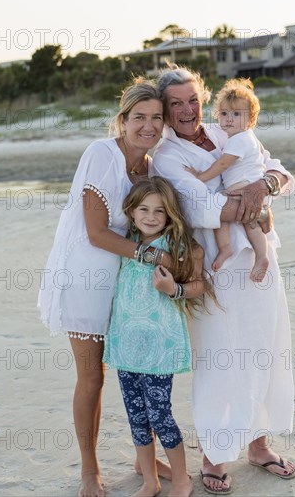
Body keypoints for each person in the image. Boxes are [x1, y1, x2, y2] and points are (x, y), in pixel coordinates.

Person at [152, 66, 295, 494]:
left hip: (260, 261)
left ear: (204, 99)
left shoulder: (229, 128)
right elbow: (197, 207)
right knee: (218, 359)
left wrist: (265, 184)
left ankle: (257, 444)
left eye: (192, 99)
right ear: (164, 109)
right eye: (175, 103)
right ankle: (213, 455)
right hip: (214, 268)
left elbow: (280, 173)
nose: (186, 109)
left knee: (262, 348)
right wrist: (254, 201)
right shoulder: (167, 156)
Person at [38, 78, 173, 497]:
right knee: (92, 376)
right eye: (139, 118)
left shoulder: (150, 166)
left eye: (156, 118)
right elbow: (96, 232)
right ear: (123, 119)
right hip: (88, 273)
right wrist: (155, 258)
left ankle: (143, 457)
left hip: (126, 273)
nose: (148, 126)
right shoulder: (101, 154)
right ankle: (89, 470)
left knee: (138, 368)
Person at [104, 176, 207, 497]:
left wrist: (173, 288)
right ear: (131, 212)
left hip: (159, 346)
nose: (150, 217)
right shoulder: (126, 243)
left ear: (169, 214)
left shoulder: (177, 247)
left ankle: (181, 478)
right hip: (125, 345)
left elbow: (199, 284)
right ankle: (149, 479)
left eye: (159, 211)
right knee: (136, 415)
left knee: (160, 415)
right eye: (143, 209)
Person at [184, 78, 270, 282]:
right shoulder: (238, 137)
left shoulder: (240, 139)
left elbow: (222, 165)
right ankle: (230, 249)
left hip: (245, 187)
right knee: (223, 216)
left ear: (251, 119)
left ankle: (260, 256)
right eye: (224, 114)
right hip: (239, 187)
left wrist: (200, 176)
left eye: (237, 114)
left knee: (248, 222)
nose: (229, 119)